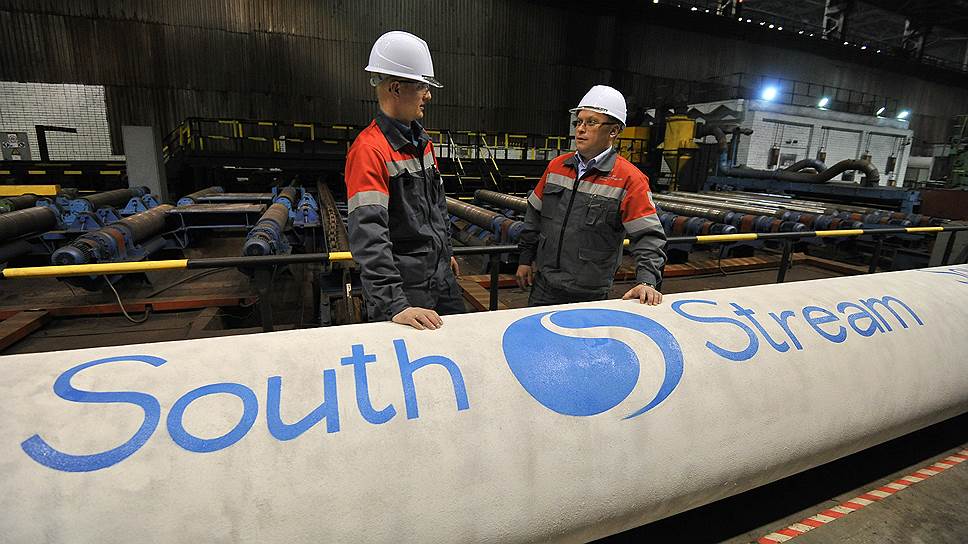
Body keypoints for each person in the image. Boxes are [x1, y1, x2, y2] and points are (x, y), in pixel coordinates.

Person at [345, 31, 462, 330]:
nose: (428, 95)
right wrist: (394, 304)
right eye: (423, 86)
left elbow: (437, 207)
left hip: (441, 279)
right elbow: (369, 235)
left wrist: (445, 252)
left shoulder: (423, 143)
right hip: (406, 293)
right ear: (396, 88)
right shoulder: (369, 150)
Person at [516, 85, 666, 306]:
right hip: (544, 285)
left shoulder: (629, 179)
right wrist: (525, 259)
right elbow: (534, 216)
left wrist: (647, 281)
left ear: (613, 131)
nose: (580, 129)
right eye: (578, 122)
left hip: (589, 293)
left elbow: (648, 236)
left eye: (591, 122)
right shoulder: (556, 167)